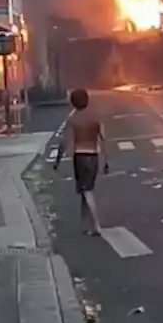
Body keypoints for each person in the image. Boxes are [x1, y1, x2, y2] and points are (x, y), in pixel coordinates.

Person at [53, 88, 110, 235]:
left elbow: (64, 142)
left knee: (86, 190)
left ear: (73, 102)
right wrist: (106, 160)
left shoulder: (73, 119)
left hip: (80, 157)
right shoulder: (96, 117)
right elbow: (103, 139)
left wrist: (57, 161)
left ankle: (97, 225)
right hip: (94, 156)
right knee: (85, 190)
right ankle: (85, 224)